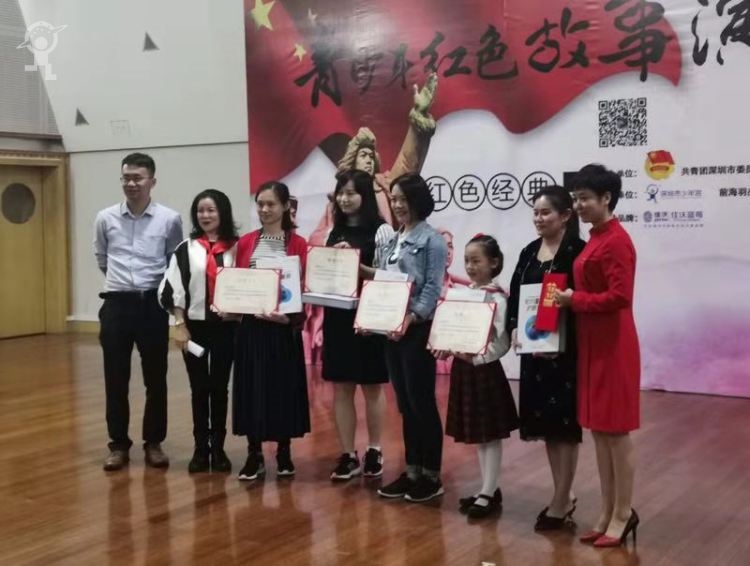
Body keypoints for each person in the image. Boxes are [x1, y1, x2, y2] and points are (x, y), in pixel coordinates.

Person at [554, 164, 641, 547]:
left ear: (607, 198)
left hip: (613, 346)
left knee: (616, 435)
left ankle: (623, 512)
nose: (579, 205)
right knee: (601, 433)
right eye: (576, 198)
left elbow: (621, 297)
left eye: (585, 198)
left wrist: (575, 300)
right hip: (593, 343)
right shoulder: (595, 238)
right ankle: (608, 511)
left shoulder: (617, 240)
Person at [94, 152, 183, 471]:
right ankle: (118, 444)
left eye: (138, 178)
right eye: (126, 178)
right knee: (115, 379)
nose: (131, 183)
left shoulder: (169, 219)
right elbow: (102, 258)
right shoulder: (105, 218)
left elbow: (173, 262)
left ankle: (154, 443)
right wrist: (123, 287)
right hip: (116, 304)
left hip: (151, 307)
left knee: (155, 378)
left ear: (152, 181)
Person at [506, 185, 586, 530]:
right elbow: (515, 295)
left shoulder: (578, 252)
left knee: (564, 428)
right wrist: (513, 327)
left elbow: (584, 300)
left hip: (565, 352)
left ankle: (561, 498)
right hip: (534, 352)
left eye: (546, 213)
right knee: (548, 428)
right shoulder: (528, 252)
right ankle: (562, 493)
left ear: (565, 215)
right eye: (535, 213)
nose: (538, 219)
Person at [375, 173, 448, 503]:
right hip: (391, 329)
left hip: (416, 328)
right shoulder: (393, 238)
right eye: (393, 199)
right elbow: (382, 280)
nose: (397, 205)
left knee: (421, 402)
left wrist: (413, 316)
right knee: (405, 403)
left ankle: (432, 475)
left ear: (417, 200)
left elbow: (432, 286)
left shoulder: (432, 240)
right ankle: (412, 470)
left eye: (403, 199)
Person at [232, 181, 310, 481]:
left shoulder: (299, 244)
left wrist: (289, 320)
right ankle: (253, 453)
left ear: (286, 206)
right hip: (252, 328)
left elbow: (304, 289)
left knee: (282, 389)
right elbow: (238, 282)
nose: (264, 210)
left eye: (271, 204)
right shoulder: (246, 242)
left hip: (282, 329)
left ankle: (284, 451)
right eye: (260, 204)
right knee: (252, 388)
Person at [437, 234, 518, 519]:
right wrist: (444, 345)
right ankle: (488, 488)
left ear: (493, 263)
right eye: (467, 261)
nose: (470, 267)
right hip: (464, 369)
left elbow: (502, 341)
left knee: (489, 435)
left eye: (476, 261)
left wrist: (478, 358)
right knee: (480, 435)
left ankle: (488, 490)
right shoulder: (463, 294)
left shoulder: (498, 297)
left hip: (485, 371)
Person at [158, 189, 239, 473]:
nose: (205, 215)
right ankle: (200, 449)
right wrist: (179, 325)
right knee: (199, 387)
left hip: (227, 328)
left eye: (211, 210)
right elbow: (173, 287)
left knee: (220, 387)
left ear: (223, 212)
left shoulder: (237, 248)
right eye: (200, 210)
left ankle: (218, 449)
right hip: (194, 329)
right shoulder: (186, 248)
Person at [308, 72, 439, 247]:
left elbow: (407, 161)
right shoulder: (338, 201)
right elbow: (316, 238)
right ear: (352, 160)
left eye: (371, 156)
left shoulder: (385, 186)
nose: (369, 160)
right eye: (363, 156)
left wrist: (419, 115)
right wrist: (333, 243)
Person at [323, 170, 395, 481]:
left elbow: (387, 276)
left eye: (351, 192)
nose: (344, 198)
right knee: (341, 386)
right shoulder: (333, 231)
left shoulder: (382, 231)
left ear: (365, 195)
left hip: (369, 315)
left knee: (371, 385)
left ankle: (375, 449)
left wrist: (355, 263)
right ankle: (347, 453)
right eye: (341, 192)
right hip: (337, 316)